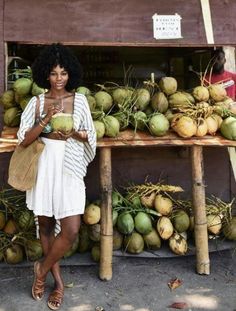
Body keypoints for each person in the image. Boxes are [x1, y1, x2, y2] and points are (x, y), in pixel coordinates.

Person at [17, 43, 96, 310]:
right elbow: (24, 140)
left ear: (70, 74)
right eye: (53, 73)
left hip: (70, 165)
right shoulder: (37, 102)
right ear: (45, 75)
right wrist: (45, 119)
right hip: (45, 164)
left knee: (71, 229)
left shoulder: (81, 101)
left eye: (63, 73)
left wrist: (73, 133)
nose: (59, 78)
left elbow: (91, 135)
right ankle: (58, 284)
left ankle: (40, 269)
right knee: (46, 225)